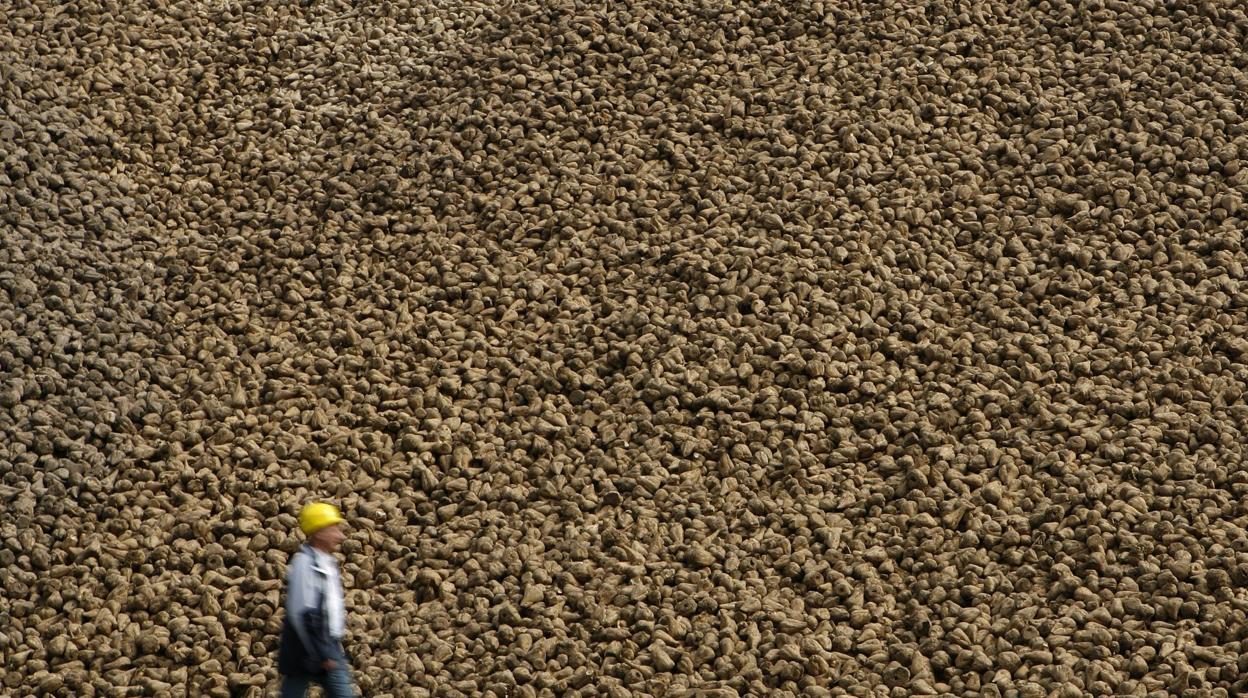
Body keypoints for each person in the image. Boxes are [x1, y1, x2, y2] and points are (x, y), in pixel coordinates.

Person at [277, 502, 356, 698]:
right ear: (319, 532)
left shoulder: (326, 562)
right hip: (312, 649)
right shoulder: (306, 564)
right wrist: (324, 653)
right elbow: (304, 613)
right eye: (334, 529)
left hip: (322, 645)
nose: (341, 536)